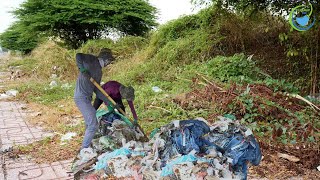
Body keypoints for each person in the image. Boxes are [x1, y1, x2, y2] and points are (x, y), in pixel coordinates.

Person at [74, 48, 115, 149]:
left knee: (89, 123)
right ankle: (84, 150)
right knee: (93, 125)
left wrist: (108, 102)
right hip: (81, 97)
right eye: (109, 61)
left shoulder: (99, 71)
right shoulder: (91, 59)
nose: (108, 64)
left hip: (87, 98)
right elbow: (78, 55)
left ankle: (88, 144)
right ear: (105, 59)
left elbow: (97, 89)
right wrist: (82, 69)